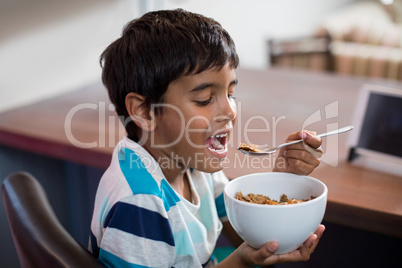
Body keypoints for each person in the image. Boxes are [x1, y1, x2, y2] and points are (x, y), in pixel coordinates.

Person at [89, 9, 325, 267]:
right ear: (144, 111)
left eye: (231, 93)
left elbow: (250, 238)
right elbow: (245, 254)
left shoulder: (192, 157)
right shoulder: (139, 202)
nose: (230, 111)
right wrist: (240, 263)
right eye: (204, 99)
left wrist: (283, 179)